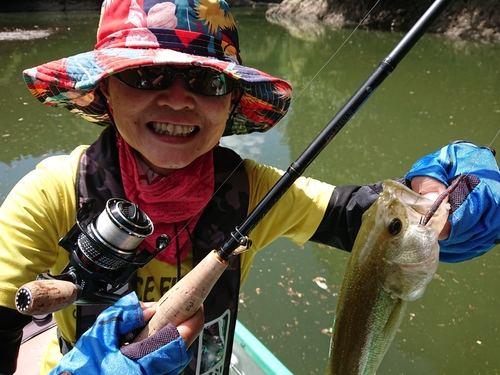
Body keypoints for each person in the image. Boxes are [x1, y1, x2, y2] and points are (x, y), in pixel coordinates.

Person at [0, 0, 499, 374]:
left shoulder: (256, 189)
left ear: (231, 100)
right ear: (106, 90)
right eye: (147, 74)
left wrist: (448, 195)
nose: (178, 101)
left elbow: (368, 219)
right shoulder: (48, 196)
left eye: (208, 83)